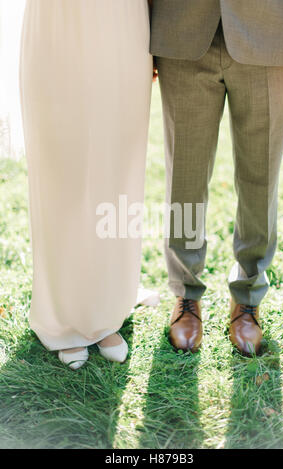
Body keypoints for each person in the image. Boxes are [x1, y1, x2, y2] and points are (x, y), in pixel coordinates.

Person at [150, 0, 283, 355]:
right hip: (181, 29)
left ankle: (248, 296)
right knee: (184, 177)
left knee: (261, 177)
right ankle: (186, 295)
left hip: (272, 31)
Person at [20, 0, 155, 369]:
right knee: (62, 165)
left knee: (116, 165)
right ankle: (65, 312)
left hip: (123, 22)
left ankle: (109, 304)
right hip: (60, 21)